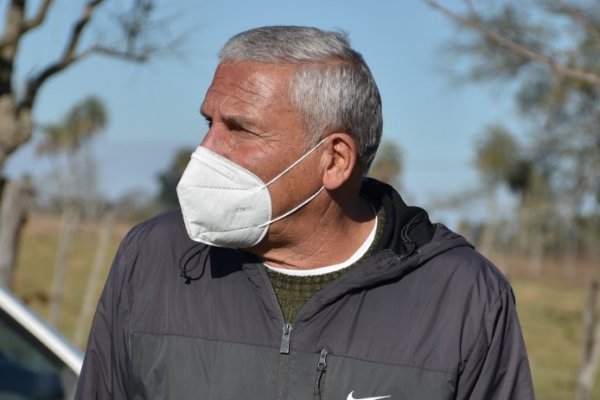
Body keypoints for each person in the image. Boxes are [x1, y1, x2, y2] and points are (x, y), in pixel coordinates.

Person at [75, 26, 535, 399]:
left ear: (334, 160)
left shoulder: (462, 297)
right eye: (209, 122)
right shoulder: (154, 257)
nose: (206, 150)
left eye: (240, 129)